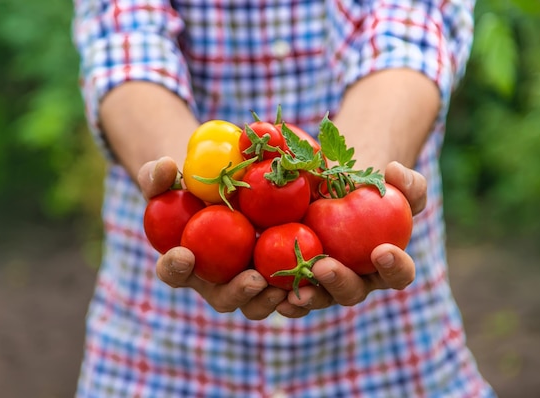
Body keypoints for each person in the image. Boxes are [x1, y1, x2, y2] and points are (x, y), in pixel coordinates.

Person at [72, 0, 496, 396]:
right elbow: (124, 41)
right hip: (161, 349)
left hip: (387, 347)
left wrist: (356, 179)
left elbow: (411, 28)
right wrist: (188, 186)